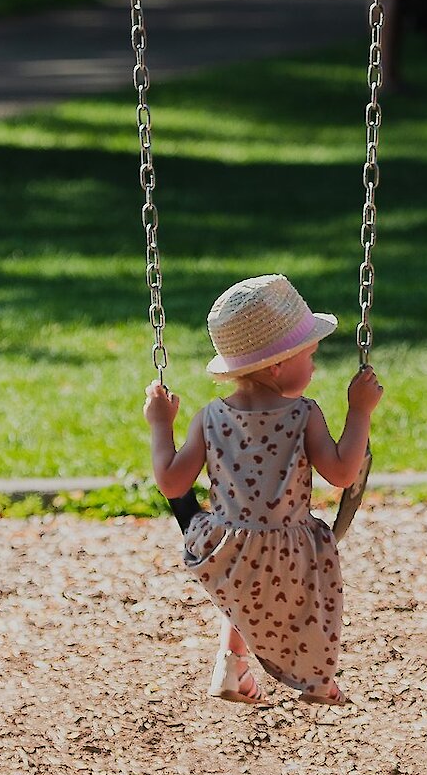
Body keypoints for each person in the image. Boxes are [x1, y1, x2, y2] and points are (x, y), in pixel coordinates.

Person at [143, 274, 384, 706]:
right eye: (309, 355)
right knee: (310, 604)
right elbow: (343, 473)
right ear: (277, 365)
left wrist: (161, 424)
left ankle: (231, 665)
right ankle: (317, 680)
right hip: (291, 549)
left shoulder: (208, 417)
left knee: (245, 593)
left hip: (225, 547)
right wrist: (359, 411)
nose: (313, 366)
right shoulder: (303, 415)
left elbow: (172, 483)